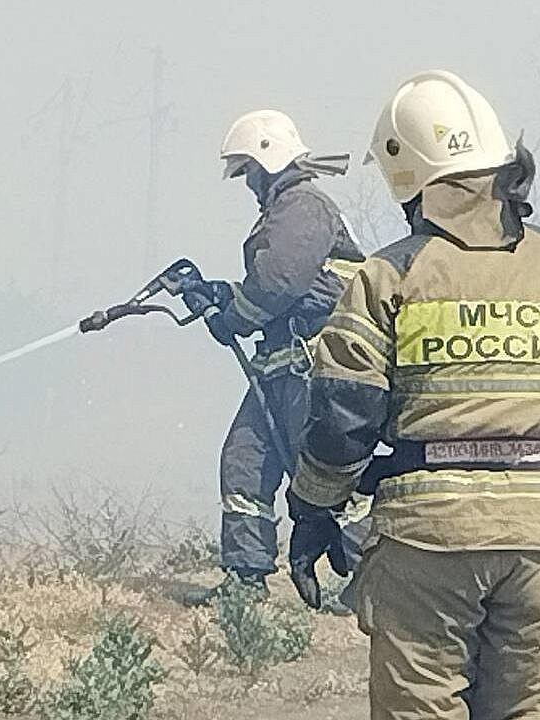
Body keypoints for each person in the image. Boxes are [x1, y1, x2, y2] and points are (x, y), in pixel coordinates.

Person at [285, 70, 540, 718]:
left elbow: (343, 422)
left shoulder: (386, 277)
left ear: (407, 180)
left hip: (426, 543)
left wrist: (313, 511)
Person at [181, 109, 364, 607]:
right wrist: (223, 296)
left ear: (269, 160)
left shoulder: (304, 204)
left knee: (328, 471)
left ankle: (370, 582)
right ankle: (246, 578)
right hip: (281, 367)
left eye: (249, 172)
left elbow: (280, 283)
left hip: (317, 367)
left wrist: (233, 317)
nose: (248, 183)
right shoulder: (286, 210)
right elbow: (271, 287)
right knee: (244, 462)